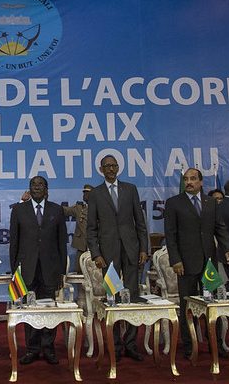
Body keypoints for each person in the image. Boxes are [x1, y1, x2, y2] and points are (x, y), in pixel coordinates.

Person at [164, 168, 229, 358]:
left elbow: (219, 227)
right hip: (185, 264)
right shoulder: (174, 203)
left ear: (201, 182)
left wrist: (227, 248)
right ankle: (189, 345)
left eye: (193, 179)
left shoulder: (211, 202)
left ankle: (217, 345)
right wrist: (175, 260)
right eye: (186, 179)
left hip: (209, 262)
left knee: (213, 303)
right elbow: (170, 236)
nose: (189, 182)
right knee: (187, 306)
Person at [86, 155, 148, 362]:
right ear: (101, 170)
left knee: (131, 297)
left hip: (131, 250)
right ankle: (116, 345)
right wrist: (96, 254)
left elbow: (140, 221)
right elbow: (91, 228)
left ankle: (130, 344)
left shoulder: (130, 189)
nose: (111, 169)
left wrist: (143, 249)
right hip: (108, 254)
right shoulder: (95, 193)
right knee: (112, 299)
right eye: (107, 166)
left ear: (118, 167)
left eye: (114, 166)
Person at [10, 176, 67, 365]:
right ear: (29, 188)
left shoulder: (56, 210)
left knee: (49, 309)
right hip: (27, 269)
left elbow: (61, 243)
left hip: (50, 269)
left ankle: (48, 348)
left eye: (40, 184)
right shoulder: (18, 210)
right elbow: (14, 243)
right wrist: (14, 271)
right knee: (29, 309)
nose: (36, 187)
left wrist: (61, 272)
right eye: (33, 185)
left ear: (46, 189)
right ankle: (32, 348)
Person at [63, 184, 92, 273]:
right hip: (81, 246)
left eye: (87, 193)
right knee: (79, 272)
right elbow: (65, 211)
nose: (84, 195)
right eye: (84, 193)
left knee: (95, 273)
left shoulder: (101, 208)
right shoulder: (79, 208)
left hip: (96, 247)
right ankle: (79, 288)